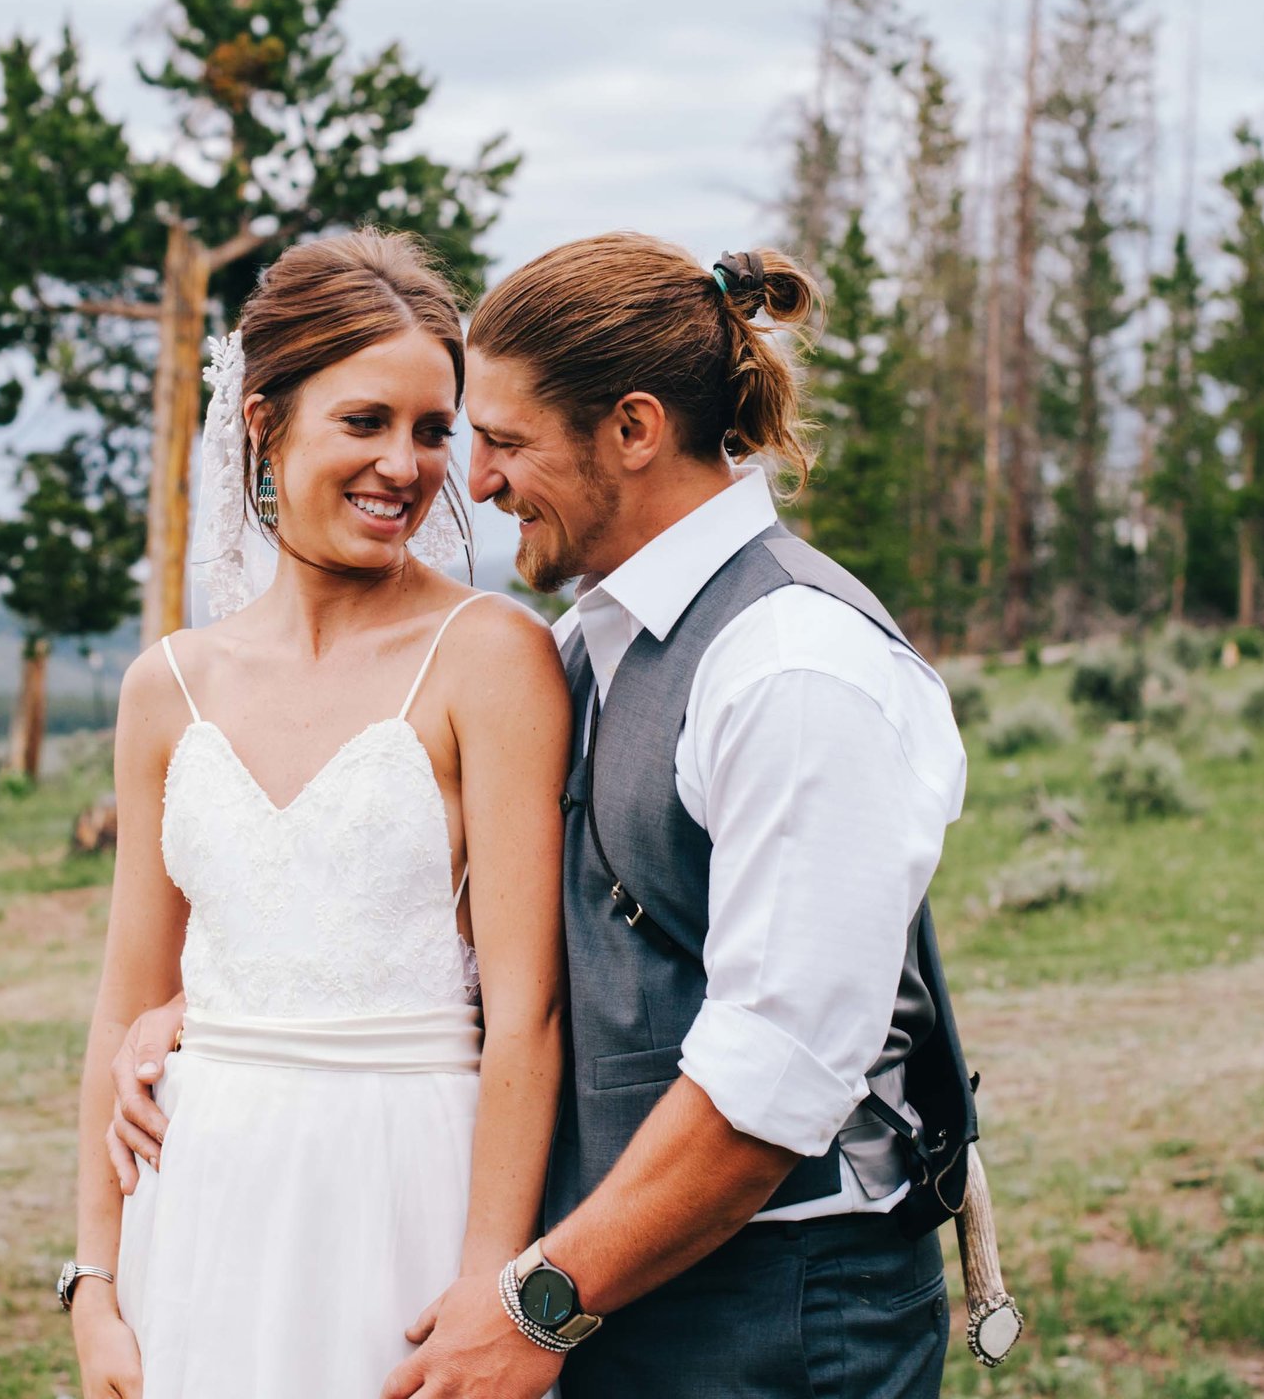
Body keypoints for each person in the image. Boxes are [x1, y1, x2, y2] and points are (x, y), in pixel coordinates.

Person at [111, 232, 970, 1399]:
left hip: (780, 1308)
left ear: (631, 428)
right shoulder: (588, 647)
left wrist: (538, 1303)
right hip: (617, 1289)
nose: (469, 480)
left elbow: (773, 1076)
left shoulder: (794, 668)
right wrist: (198, 1009)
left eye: (500, 441)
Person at [62, 230, 569, 1399]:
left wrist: (493, 1274)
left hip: (407, 1191)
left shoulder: (488, 657)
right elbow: (121, 1006)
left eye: (433, 429)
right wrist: (95, 1284)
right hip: (197, 1202)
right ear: (262, 421)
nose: (406, 463)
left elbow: (529, 1009)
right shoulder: (167, 686)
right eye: (364, 421)